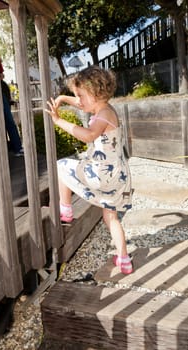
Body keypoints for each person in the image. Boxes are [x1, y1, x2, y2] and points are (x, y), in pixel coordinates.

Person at [46, 65, 133, 275]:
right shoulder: (103, 107)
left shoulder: (103, 115)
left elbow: (88, 136)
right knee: (111, 217)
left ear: (95, 92)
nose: (79, 101)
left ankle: (65, 210)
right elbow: (81, 103)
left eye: (81, 96)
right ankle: (124, 260)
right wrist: (63, 99)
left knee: (62, 166)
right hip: (116, 176)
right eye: (77, 96)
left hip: (101, 174)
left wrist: (58, 120)